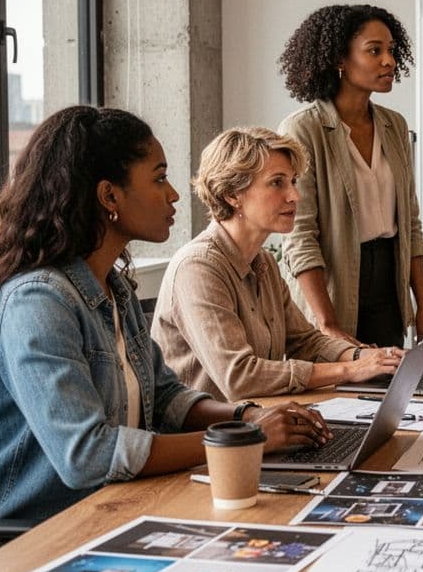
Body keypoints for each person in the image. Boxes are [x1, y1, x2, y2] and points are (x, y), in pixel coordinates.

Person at [0, 107, 330, 564]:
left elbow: (166, 397)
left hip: (116, 508)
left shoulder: (114, 287)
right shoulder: (38, 303)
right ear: (109, 195)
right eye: (159, 178)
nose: (173, 194)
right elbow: (87, 455)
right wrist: (247, 438)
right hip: (34, 540)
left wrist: (243, 415)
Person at [152, 126, 404, 401]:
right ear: (232, 194)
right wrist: (350, 369)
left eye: (293, 181)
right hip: (209, 437)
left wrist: (366, 356)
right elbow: (240, 377)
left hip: (256, 420)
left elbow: (304, 341)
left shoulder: (264, 262)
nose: (294, 196)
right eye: (277, 182)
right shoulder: (198, 268)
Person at [278, 4, 423, 349]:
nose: (389, 61)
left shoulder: (394, 125)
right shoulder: (303, 129)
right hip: (332, 290)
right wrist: (326, 324)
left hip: (389, 286)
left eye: (391, 50)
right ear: (339, 58)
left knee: (391, 393)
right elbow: (300, 234)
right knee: (339, 398)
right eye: (374, 51)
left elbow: (410, 224)